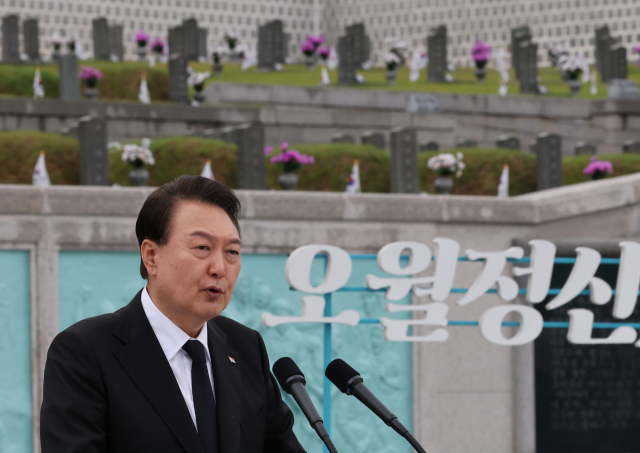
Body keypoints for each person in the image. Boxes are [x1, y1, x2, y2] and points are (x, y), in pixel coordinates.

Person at [40, 176, 306, 453]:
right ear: (151, 256)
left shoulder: (246, 346)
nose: (219, 268)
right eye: (202, 248)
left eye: (232, 251)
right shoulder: (84, 352)